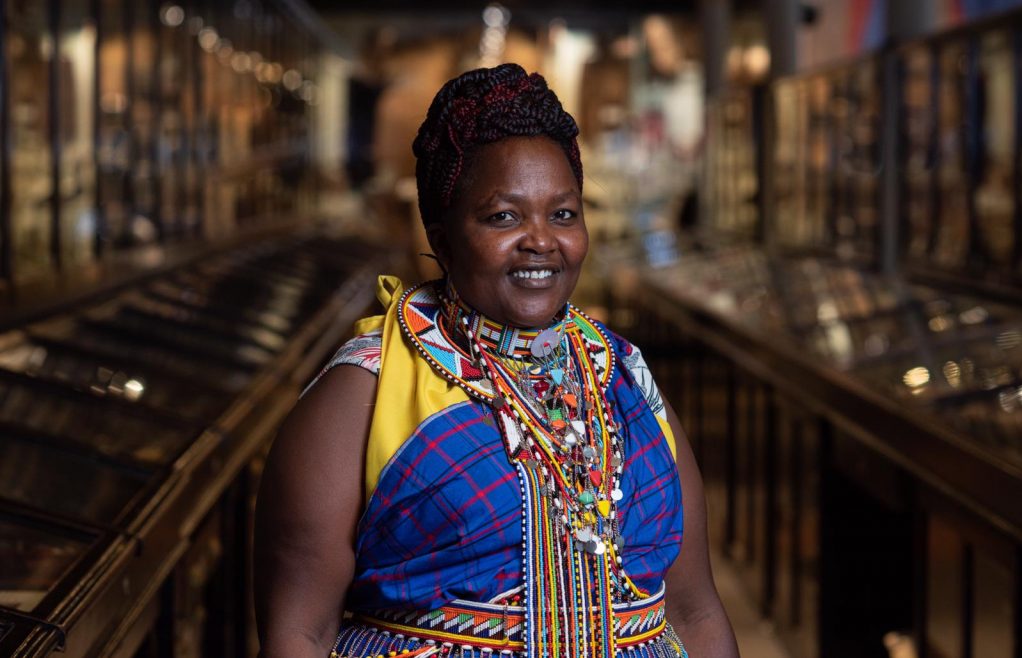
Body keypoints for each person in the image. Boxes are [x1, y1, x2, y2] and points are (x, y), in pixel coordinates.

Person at [255, 63, 739, 658]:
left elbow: (695, 610)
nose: (541, 239)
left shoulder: (625, 376)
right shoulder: (364, 390)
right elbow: (298, 631)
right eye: (503, 216)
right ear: (442, 234)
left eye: (562, 213)